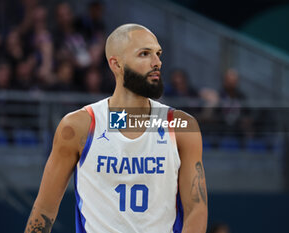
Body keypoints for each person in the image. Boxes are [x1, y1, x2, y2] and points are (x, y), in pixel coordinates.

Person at [24, 23, 207, 233]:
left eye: (158, 53)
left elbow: (196, 210)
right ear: (116, 64)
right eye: (144, 54)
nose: (157, 62)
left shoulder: (181, 126)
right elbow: (45, 210)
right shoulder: (79, 126)